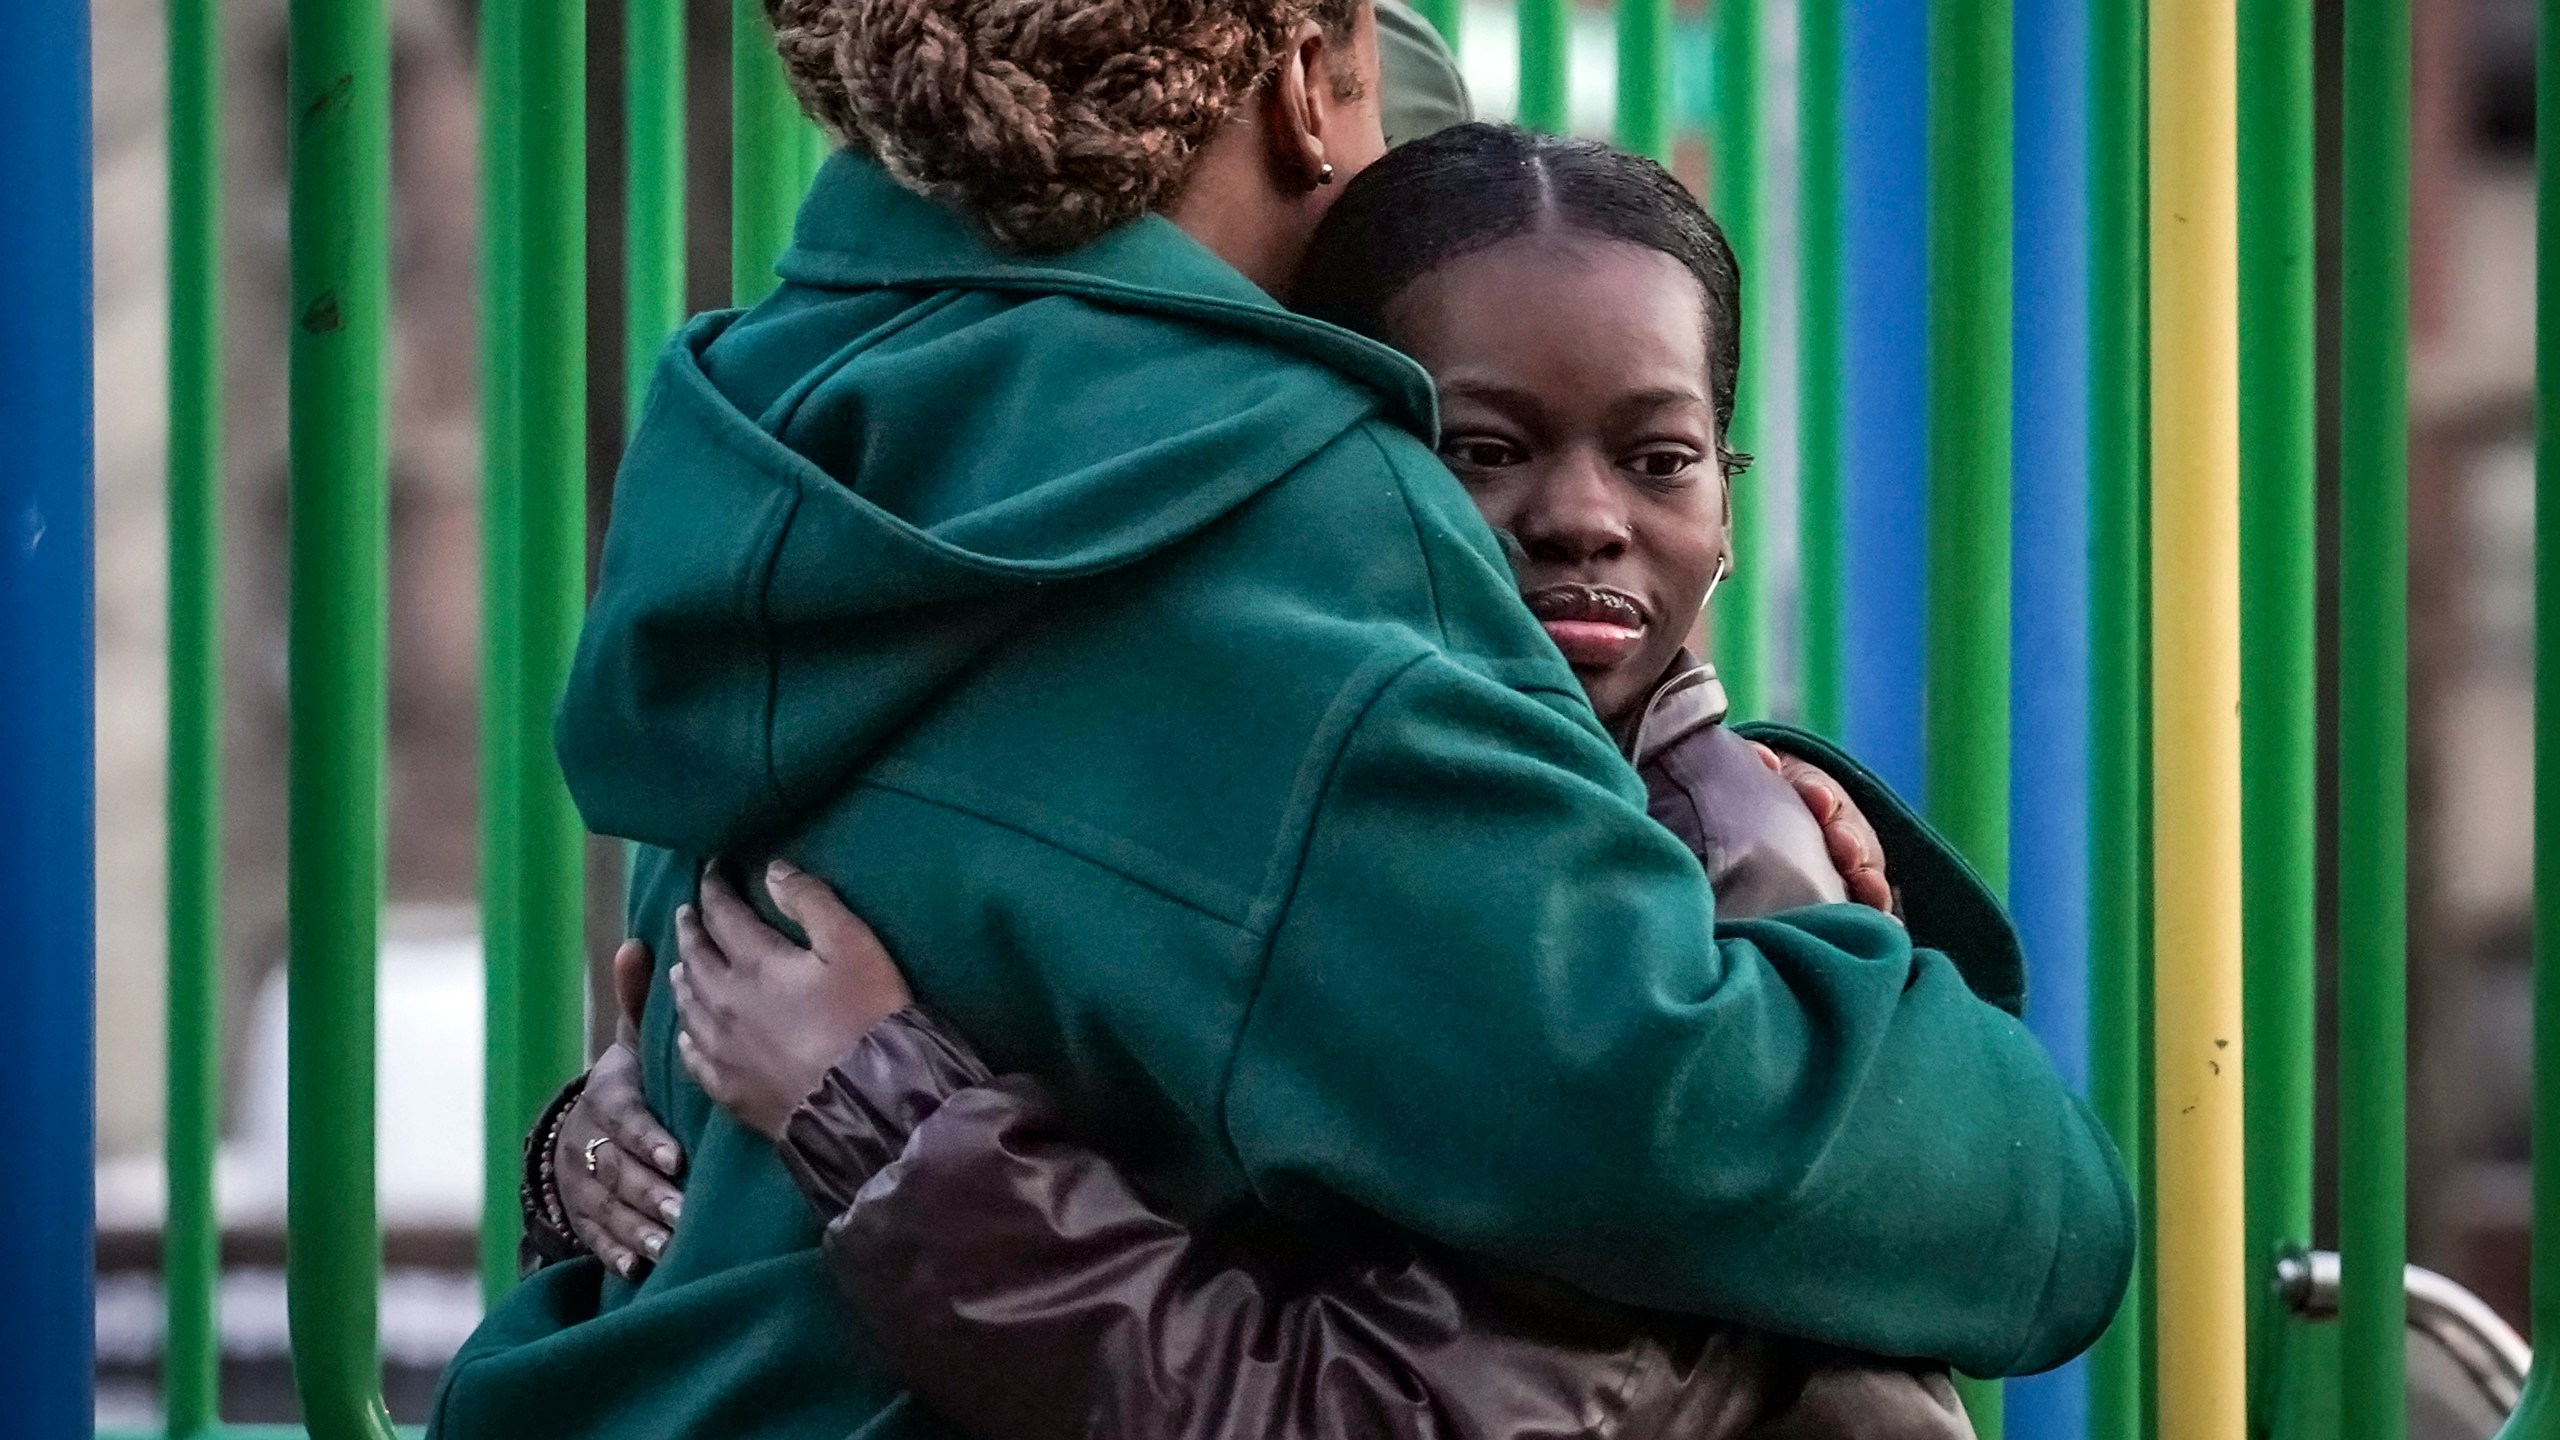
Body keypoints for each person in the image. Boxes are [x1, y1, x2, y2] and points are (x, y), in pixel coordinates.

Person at [430, 5, 2130, 1439]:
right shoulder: (1280, 516)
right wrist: (1838, 952)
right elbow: (1980, 1221)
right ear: (1308, 77)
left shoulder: (779, 430)